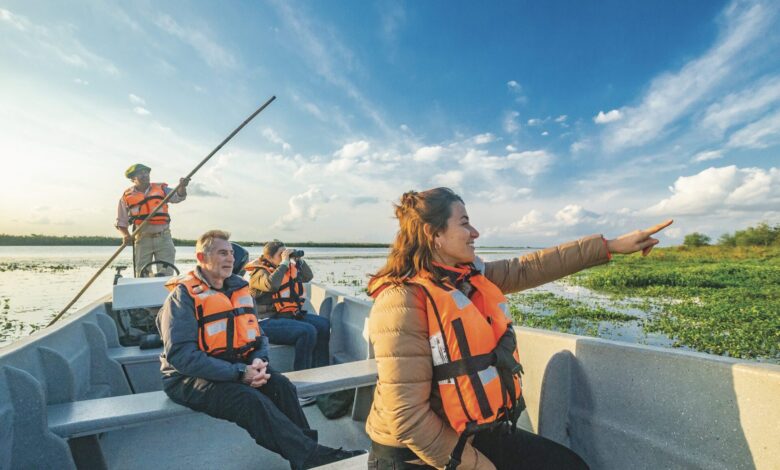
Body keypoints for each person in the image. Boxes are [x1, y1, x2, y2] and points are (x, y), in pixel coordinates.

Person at [365, 187, 672, 470]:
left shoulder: (465, 280)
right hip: (413, 456)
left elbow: (529, 267)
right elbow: (407, 418)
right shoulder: (401, 301)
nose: (475, 233)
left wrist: (609, 246)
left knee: (568, 465)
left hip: (470, 435)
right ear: (434, 234)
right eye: (465, 223)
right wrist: (478, 466)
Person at [157, 230, 364, 469]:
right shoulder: (182, 297)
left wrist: (258, 361)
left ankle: (307, 456)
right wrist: (239, 373)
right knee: (249, 400)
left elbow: (258, 336)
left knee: (283, 387)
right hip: (187, 377)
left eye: (231, 253)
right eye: (222, 253)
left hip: (236, 366)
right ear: (201, 258)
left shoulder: (238, 290)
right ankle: (312, 457)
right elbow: (181, 356)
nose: (230, 258)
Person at [246, 240, 331, 406]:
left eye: (286, 253)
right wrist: (284, 263)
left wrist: (298, 261)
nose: (285, 256)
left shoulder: (287, 268)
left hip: (288, 315)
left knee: (323, 324)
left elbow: (308, 277)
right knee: (307, 331)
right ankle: (300, 388)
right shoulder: (258, 273)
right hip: (266, 321)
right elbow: (271, 285)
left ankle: (321, 376)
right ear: (269, 257)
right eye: (281, 254)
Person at [115, 163, 189, 277]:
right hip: (142, 239)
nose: (145, 175)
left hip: (163, 238)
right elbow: (121, 221)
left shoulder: (162, 189)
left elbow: (179, 197)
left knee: (166, 275)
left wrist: (182, 187)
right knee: (142, 275)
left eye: (146, 172)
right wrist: (126, 235)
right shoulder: (126, 196)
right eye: (140, 173)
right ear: (133, 179)